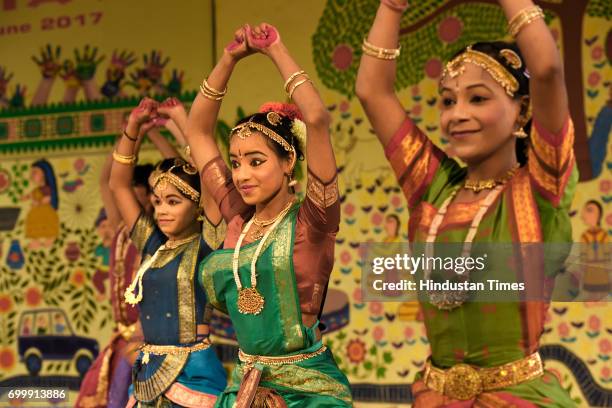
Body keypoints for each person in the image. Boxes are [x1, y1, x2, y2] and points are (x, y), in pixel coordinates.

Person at [356, 0, 577, 406]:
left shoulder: (539, 189)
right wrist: (391, 6)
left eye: (477, 99)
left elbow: (545, 70)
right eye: (447, 101)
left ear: (523, 111)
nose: (456, 114)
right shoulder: (433, 188)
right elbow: (372, 91)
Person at [186, 23, 352, 407]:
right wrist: (229, 59)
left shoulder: (314, 219)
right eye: (236, 163)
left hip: (309, 392)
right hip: (243, 389)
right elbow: (197, 131)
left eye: (256, 162)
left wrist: (275, 49)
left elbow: (317, 120)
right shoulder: (237, 217)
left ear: (289, 161)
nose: (241, 175)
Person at [109, 97, 227, 407]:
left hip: (194, 374)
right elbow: (118, 185)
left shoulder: (206, 244)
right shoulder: (153, 245)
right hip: (147, 373)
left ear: (197, 204)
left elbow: (213, 178)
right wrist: (132, 128)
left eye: (174, 202)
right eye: (158, 201)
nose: (161, 210)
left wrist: (181, 119)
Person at [76, 112, 183, 408]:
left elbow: (182, 174)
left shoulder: (161, 236)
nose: (131, 203)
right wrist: (130, 132)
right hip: (121, 339)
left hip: (150, 340)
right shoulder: (120, 227)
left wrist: (156, 134)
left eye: (141, 197)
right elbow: (106, 182)